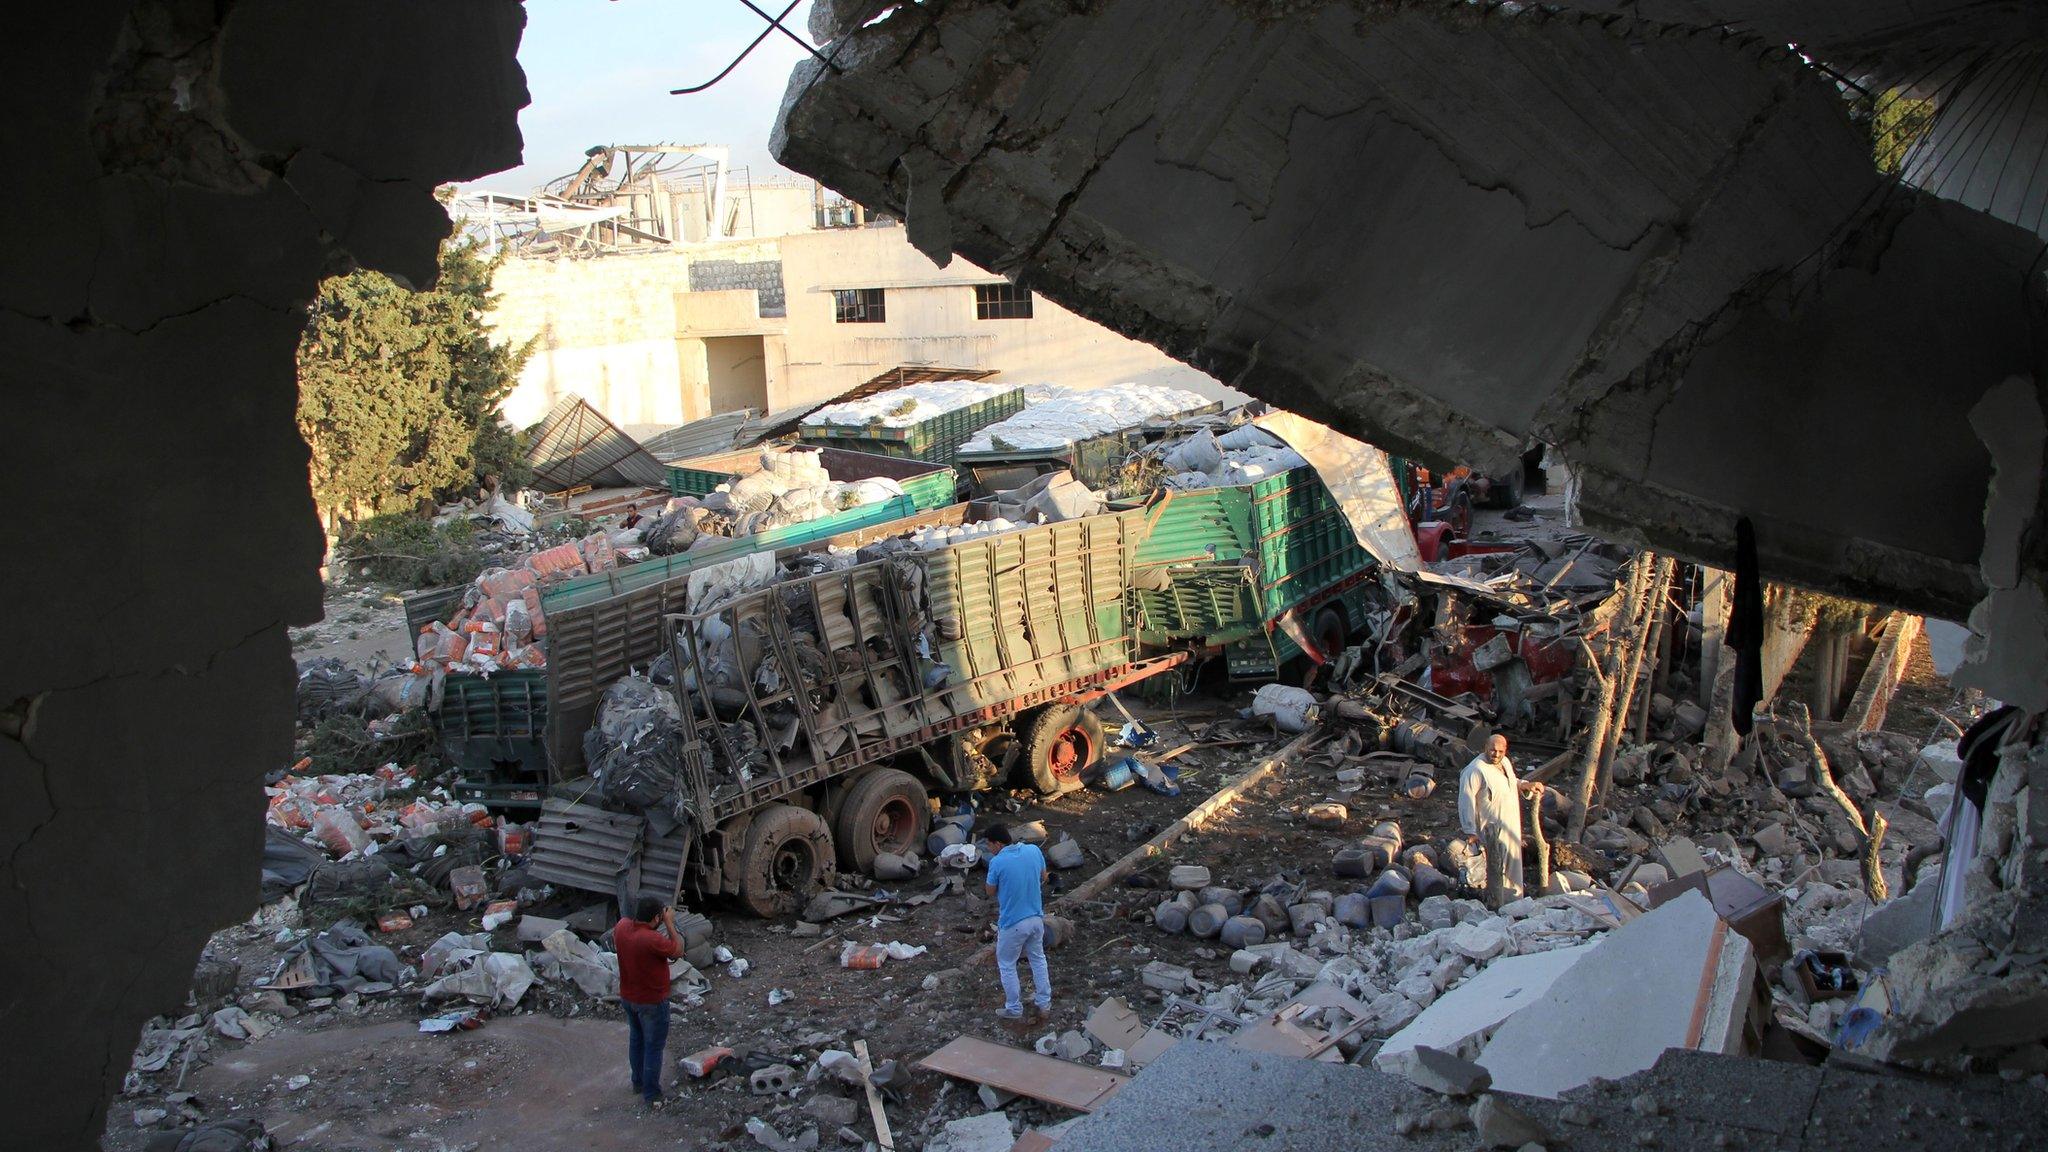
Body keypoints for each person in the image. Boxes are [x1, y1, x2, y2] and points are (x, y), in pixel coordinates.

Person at [1457, 733, 1545, 906]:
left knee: (1513, 867)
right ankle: (1497, 907)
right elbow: (1465, 800)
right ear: (1485, 749)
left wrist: (1525, 785)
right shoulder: (1475, 770)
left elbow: (1510, 782)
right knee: (1496, 869)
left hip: (1510, 825)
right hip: (1491, 829)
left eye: (1500, 751)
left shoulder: (1505, 763)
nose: (1496, 754)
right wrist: (1470, 831)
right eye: (1492, 750)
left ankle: (1515, 905)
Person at [614, 893, 682, 1105]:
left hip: (629, 997)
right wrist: (670, 923)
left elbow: (631, 923)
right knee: (653, 1046)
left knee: (637, 1040)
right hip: (652, 1001)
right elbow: (678, 950)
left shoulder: (621, 928)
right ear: (655, 918)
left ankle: (638, 1082)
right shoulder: (651, 939)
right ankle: (652, 1094)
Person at [983, 824, 1052, 1023]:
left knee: (1006, 964)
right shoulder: (1033, 850)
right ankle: (1044, 1003)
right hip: (1036, 918)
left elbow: (989, 891)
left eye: (989, 844)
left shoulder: (997, 862)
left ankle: (1014, 1007)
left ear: (998, 843)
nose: (989, 848)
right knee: (1038, 959)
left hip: (1013, 922)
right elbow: (1044, 876)